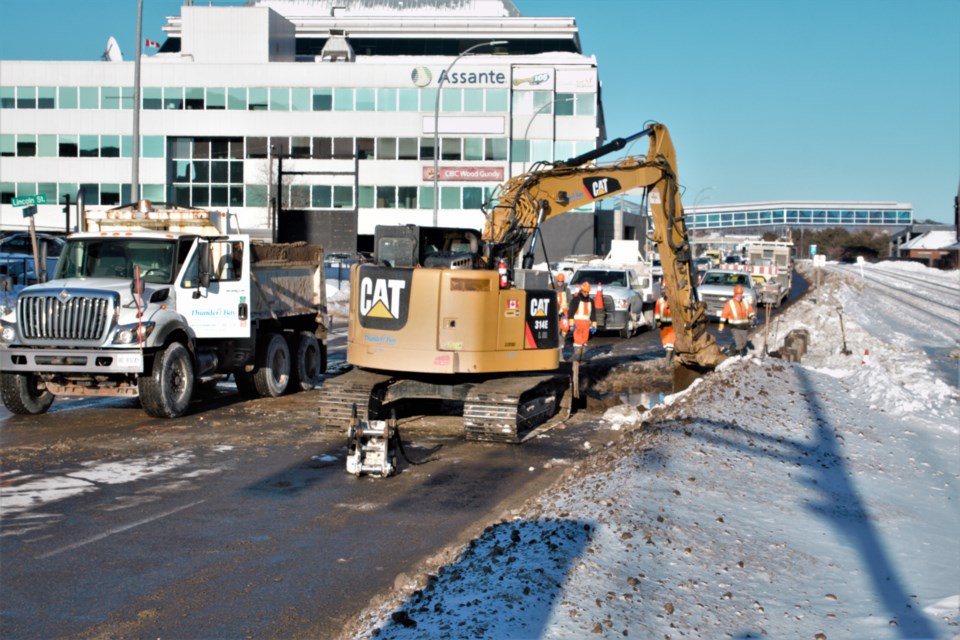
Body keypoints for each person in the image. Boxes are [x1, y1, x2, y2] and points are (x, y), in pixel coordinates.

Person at [719, 284, 756, 356]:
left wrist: (753, 318)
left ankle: (735, 350)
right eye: (738, 294)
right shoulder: (730, 304)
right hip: (735, 327)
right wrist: (721, 325)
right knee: (738, 341)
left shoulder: (745, 303)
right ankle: (740, 354)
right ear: (735, 294)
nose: (739, 295)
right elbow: (723, 315)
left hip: (744, 326)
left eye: (741, 294)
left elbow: (750, 312)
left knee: (744, 342)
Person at [568, 281, 597, 361]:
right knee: (578, 341)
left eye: (587, 292)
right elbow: (571, 313)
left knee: (585, 340)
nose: (586, 293)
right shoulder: (576, 300)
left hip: (586, 325)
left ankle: (583, 357)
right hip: (577, 324)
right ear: (581, 290)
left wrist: (594, 325)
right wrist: (571, 324)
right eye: (584, 291)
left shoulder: (591, 301)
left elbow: (593, 314)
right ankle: (577, 356)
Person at [654, 288, 675, 363]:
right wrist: (659, 324)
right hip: (663, 327)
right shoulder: (659, 301)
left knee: (670, 345)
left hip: (672, 327)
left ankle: (667, 362)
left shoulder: (674, 302)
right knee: (666, 345)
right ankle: (672, 360)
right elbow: (657, 314)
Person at [555, 272, 570, 342]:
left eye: (562, 281)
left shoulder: (567, 290)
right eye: (559, 281)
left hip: (564, 312)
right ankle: (557, 341)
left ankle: (563, 339)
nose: (560, 282)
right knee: (556, 328)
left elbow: (570, 300)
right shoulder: (552, 288)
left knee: (565, 327)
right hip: (555, 311)